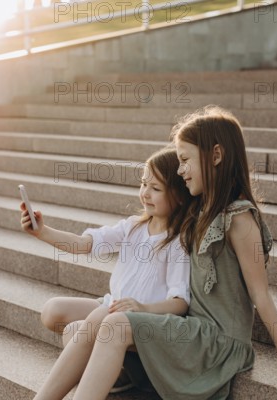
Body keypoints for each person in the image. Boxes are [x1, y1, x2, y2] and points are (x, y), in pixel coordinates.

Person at [66, 106, 277, 400]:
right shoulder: (201, 210)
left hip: (219, 343)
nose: (180, 169)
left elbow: (261, 295)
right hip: (191, 329)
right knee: (80, 328)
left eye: (185, 160)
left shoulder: (240, 220)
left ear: (217, 156)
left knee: (114, 325)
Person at [20, 147, 192, 398]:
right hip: (113, 307)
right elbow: (84, 244)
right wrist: (42, 232)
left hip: (145, 322)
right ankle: (119, 373)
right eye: (144, 183)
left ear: (178, 195)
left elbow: (180, 303)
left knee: (92, 323)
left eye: (156, 188)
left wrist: (142, 308)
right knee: (55, 314)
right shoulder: (134, 226)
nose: (145, 193)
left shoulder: (178, 242)